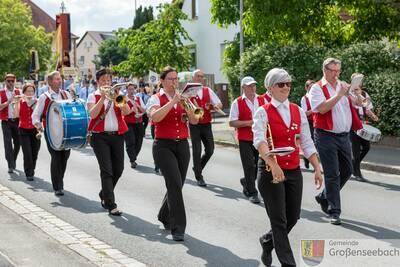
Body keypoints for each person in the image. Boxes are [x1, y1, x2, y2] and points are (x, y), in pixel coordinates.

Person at [254, 68, 323, 267]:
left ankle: (267, 242)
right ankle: (288, 263)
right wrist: (273, 164)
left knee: (293, 216)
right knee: (279, 220)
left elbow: (307, 142)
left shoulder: (297, 110)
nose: (286, 87)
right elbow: (259, 140)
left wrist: (317, 166)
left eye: (288, 84)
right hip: (270, 171)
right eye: (281, 84)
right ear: (270, 88)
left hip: (293, 169)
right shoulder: (262, 111)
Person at [147, 66, 199, 241]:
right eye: (170, 79)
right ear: (162, 81)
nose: (174, 82)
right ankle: (178, 227)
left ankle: (163, 214)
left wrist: (189, 106)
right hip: (163, 146)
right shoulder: (155, 98)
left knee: (177, 184)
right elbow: (155, 118)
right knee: (175, 184)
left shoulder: (183, 98)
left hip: (182, 145)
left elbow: (194, 120)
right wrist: (172, 102)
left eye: (176, 79)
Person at [309, 58, 362, 225]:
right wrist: (339, 95)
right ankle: (334, 211)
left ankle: (324, 196)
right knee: (332, 173)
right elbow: (322, 109)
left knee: (348, 170)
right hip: (325, 135)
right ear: (325, 70)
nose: (337, 74)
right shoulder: (316, 88)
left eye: (338, 70)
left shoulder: (342, 85)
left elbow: (359, 104)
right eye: (333, 71)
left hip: (343, 136)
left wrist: (357, 94)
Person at [87, 68, 130, 216]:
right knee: (107, 170)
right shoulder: (93, 96)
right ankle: (111, 204)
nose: (107, 83)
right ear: (98, 82)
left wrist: (118, 98)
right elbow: (92, 114)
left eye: (108, 80)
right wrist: (102, 99)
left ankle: (104, 193)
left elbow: (127, 112)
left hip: (117, 136)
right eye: (103, 80)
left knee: (119, 169)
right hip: (100, 137)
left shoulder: (118, 95)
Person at [32, 71, 72, 196]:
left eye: (60, 79)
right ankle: (57, 186)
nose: (59, 81)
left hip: (65, 132)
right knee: (56, 156)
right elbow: (36, 115)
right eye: (56, 79)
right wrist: (38, 125)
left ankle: (59, 179)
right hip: (51, 132)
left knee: (65, 157)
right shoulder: (45, 96)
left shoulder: (66, 94)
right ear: (50, 82)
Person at [229, 76, 266, 204]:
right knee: (249, 165)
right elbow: (232, 122)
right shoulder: (237, 102)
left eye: (254, 85)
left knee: (258, 165)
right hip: (245, 139)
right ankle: (252, 192)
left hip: (260, 137)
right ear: (243, 88)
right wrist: (249, 123)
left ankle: (246, 181)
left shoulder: (263, 99)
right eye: (249, 86)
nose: (252, 88)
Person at [189, 69, 223, 186]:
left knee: (210, 150)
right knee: (197, 150)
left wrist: (215, 106)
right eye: (198, 76)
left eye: (202, 76)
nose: (200, 78)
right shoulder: (188, 92)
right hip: (194, 124)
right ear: (193, 78)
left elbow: (219, 103)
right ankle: (199, 176)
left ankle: (197, 167)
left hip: (206, 124)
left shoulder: (207, 90)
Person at [349, 73, 379, 182]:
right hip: (352, 125)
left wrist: (373, 115)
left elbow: (367, 108)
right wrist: (355, 94)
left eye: (360, 80)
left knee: (366, 147)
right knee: (356, 151)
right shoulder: (348, 93)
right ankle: (357, 173)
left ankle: (353, 165)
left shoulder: (365, 94)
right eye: (356, 80)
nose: (358, 82)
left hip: (363, 125)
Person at [14, 83, 40, 181]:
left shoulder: (37, 102)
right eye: (28, 91)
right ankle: (29, 173)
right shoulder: (20, 102)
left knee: (34, 153)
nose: (30, 93)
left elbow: (38, 114)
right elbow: (17, 115)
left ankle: (31, 168)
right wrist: (16, 102)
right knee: (27, 152)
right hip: (23, 130)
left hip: (35, 130)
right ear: (24, 92)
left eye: (32, 91)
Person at [0, 74, 21, 173]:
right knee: (8, 143)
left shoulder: (18, 91)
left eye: (12, 81)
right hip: (6, 121)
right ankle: (10, 165)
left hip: (16, 121)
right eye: (9, 81)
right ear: (5, 81)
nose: (11, 83)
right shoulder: (1, 92)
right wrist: (9, 101)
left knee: (18, 143)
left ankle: (13, 159)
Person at [124, 83, 146, 168]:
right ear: (126, 90)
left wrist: (138, 106)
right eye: (129, 89)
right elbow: (122, 113)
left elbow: (144, 110)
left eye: (133, 89)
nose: (131, 91)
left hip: (138, 122)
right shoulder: (123, 99)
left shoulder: (138, 98)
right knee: (131, 141)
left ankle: (134, 156)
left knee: (139, 141)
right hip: (128, 123)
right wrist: (130, 110)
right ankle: (132, 160)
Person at [300, 79, 315, 169]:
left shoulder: (318, 96)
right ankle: (307, 158)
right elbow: (304, 113)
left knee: (316, 143)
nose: (312, 89)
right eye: (310, 87)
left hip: (317, 121)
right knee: (311, 141)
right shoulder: (304, 99)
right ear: (306, 88)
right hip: (309, 122)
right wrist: (315, 108)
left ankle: (311, 159)